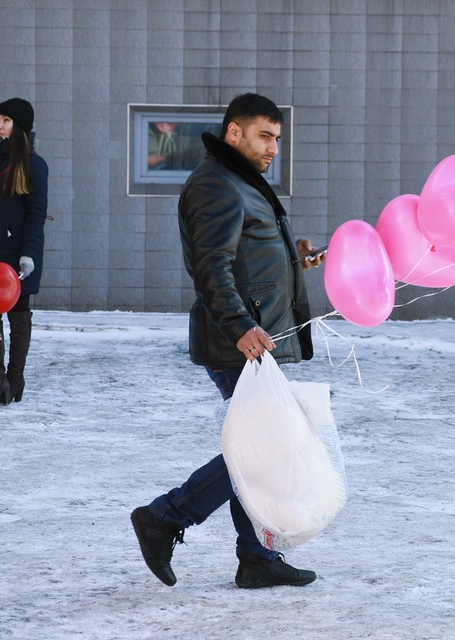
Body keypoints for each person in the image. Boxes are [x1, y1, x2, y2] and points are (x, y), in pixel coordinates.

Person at [131, 93, 326, 589]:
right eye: (265, 135)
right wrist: (240, 327)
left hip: (257, 337)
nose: (274, 148)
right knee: (261, 448)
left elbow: (243, 251)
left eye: (278, 139)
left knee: (261, 446)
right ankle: (165, 517)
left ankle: (256, 557)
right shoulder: (214, 184)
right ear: (233, 133)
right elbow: (210, 268)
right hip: (238, 340)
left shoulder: (239, 182)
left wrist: (293, 255)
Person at [0, 98, 48, 406]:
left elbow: (36, 213)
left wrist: (28, 253)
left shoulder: (34, 164)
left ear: (20, 128)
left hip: (17, 256)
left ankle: (15, 380)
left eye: (6, 120)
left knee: (17, 315)